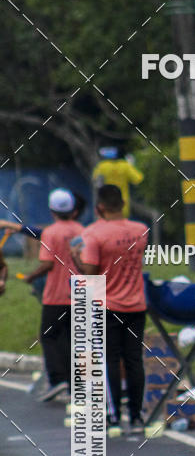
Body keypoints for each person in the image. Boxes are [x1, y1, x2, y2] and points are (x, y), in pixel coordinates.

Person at [71, 184, 149, 432]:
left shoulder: (92, 234)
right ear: (123, 204)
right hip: (137, 304)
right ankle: (136, 416)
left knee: (111, 360)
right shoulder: (140, 230)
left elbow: (91, 273)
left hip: (107, 305)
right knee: (135, 360)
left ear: (99, 207)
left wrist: (75, 257)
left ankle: (113, 415)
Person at [18, 189, 84, 401]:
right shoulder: (82, 230)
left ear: (52, 210)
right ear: (73, 210)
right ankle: (76, 384)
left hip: (57, 294)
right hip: (81, 292)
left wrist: (30, 276)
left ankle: (58, 379)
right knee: (74, 338)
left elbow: (47, 263)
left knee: (49, 335)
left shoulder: (51, 233)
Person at [92, 146, 144, 219]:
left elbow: (97, 183)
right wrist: (132, 165)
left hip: (105, 206)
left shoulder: (102, 166)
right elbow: (138, 179)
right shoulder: (125, 166)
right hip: (122, 206)